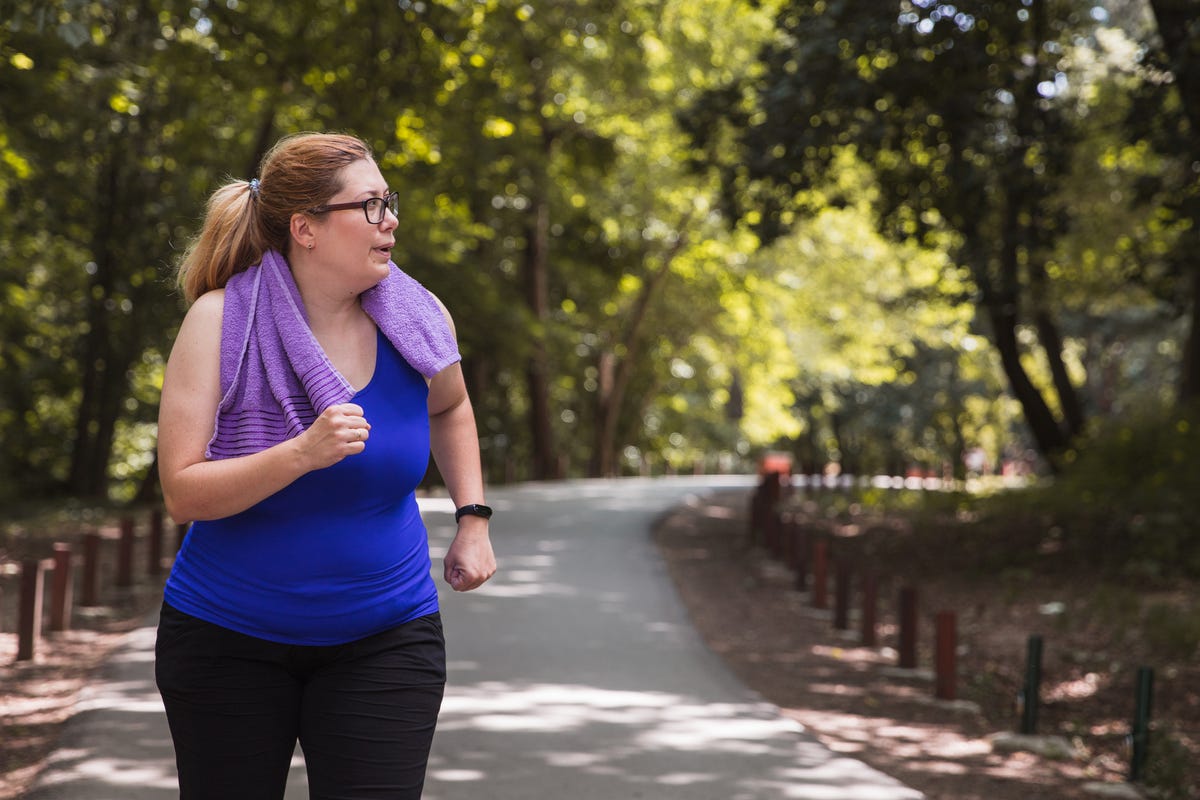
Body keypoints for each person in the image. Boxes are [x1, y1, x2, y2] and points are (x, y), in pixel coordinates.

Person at [155, 131, 496, 800]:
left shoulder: (418, 320)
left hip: (387, 638)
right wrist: (299, 455)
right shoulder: (219, 322)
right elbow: (182, 492)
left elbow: (451, 408)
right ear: (304, 228)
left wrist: (474, 518)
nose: (390, 219)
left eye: (389, 202)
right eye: (369, 205)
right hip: (227, 641)